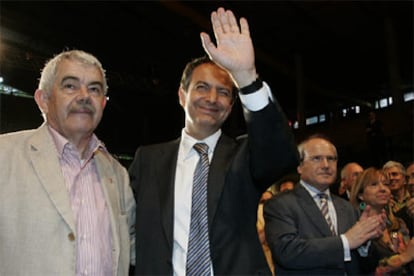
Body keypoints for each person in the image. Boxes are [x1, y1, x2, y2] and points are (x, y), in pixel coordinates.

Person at [128, 7, 298, 275]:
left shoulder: (245, 155)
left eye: (222, 92)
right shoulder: (147, 159)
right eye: (202, 87)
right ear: (182, 96)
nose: (211, 98)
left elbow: (281, 154)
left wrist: (246, 78)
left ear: (231, 106)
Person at [0, 50, 136, 275]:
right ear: (43, 100)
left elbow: (139, 247)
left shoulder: (117, 174)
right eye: (70, 86)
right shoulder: (5, 155)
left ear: (102, 103)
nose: (84, 96)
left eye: (94, 89)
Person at [264, 134, 386, 275]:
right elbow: (286, 252)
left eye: (331, 159)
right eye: (317, 158)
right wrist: (346, 241)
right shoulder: (280, 204)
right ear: (300, 166)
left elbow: (366, 267)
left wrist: (365, 241)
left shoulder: (347, 208)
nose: (326, 165)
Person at [349, 167, 414, 275]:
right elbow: (365, 270)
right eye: (374, 184)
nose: (383, 189)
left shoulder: (398, 223)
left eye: (386, 184)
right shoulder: (355, 228)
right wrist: (404, 258)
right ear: (360, 195)